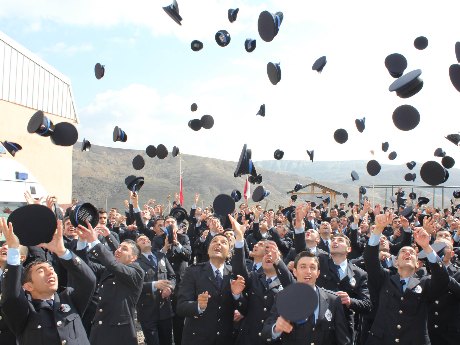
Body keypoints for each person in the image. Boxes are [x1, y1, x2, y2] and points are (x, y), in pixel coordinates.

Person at [0, 218, 96, 345]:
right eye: (41, 271)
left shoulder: (69, 299)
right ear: (28, 286)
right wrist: (12, 249)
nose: (50, 272)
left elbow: (88, 280)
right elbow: (11, 296)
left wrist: (62, 252)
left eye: (51, 269)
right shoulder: (26, 310)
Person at [363, 213, 449, 345]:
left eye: (412, 253)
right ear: (396, 262)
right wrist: (378, 230)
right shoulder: (384, 278)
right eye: (403, 251)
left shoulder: (425, 283)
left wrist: (426, 247)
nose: (408, 253)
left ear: (417, 264)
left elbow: (443, 280)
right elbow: (370, 260)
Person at [229, 214, 294, 345]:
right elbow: (239, 270)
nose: (268, 257)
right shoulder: (254, 276)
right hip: (248, 338)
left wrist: (278, 262)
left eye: (273, 255)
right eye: (265, 254)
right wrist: (240, 237)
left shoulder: (286, 280)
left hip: (273, 339)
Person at [76, 221, 145, 345]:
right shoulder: (107, 270)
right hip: (99, 330)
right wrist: (82, 242)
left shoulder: (137, 272)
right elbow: (85, 265)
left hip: (120, 334)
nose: (118, 250)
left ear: (134, 257)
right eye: (118, 247)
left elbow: (113, 264)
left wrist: (94, 241)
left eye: (124, 249)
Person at [261, 251, 351, 345]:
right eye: (303, 267)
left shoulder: (333, 300)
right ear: (295, 272)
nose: (308, 271)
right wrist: (276, 329)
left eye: (312, 267)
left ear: (318, 273)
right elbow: (265, 333)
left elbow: (343, 339)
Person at [177, 229, 237, 345]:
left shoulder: (234, 274)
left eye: (224, 242)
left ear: (229, 253)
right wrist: (198, 306)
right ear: (208, 250)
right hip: (197, 338)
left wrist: (237, 296)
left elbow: (242, 306)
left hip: (225, 338)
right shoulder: (193, 271)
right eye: (214, 241)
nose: (218, 244)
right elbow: (181, 306)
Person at [136, 234, 176, 345]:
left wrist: (170, 288)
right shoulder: (135, 262)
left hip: (165, 309)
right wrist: (153, 285)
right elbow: (135, 285)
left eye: (146, 238)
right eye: (140, 239)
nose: (145, 239)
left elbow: (172, 276)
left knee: (167, 341)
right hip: (147, 311)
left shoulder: (160, 256)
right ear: (136, 245)